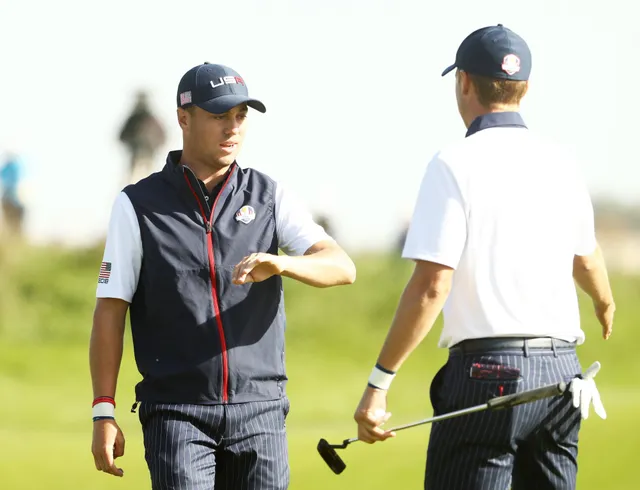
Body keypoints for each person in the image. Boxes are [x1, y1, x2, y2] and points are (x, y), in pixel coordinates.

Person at [352, 24, 614, 490]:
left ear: (465, 82)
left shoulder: (453, 162)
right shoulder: (563, 159)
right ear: (525, 88)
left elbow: (433, 284)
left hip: (488, 371)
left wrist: (379, 383)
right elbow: (587, 257)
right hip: (561, 369)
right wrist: (604, 303)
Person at [90, 62, 357, 490]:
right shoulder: (137, 205)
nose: (232, 128)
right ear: (183, 117)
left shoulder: (269, 195)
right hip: (178, 413)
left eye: (240, 116)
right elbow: (110, 309)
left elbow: (342, 266)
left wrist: (284, 263)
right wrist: (104, 410)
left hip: (261, 410)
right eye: (218, 116)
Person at [118, 90, 167, 185]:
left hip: (148, 157)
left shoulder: (151, 120)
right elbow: (122, 137)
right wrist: (135, 142)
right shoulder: (133, 119)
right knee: (132, 183)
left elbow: (162, 137)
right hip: (136, 157)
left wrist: (152, 145)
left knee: (150, 183)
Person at [0, 152, 25, 237]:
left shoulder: (9, 168)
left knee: (12, 217)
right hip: (9, 198)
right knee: (11, 217)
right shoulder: (11, 168)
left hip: (9, 198)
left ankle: (13, 233)